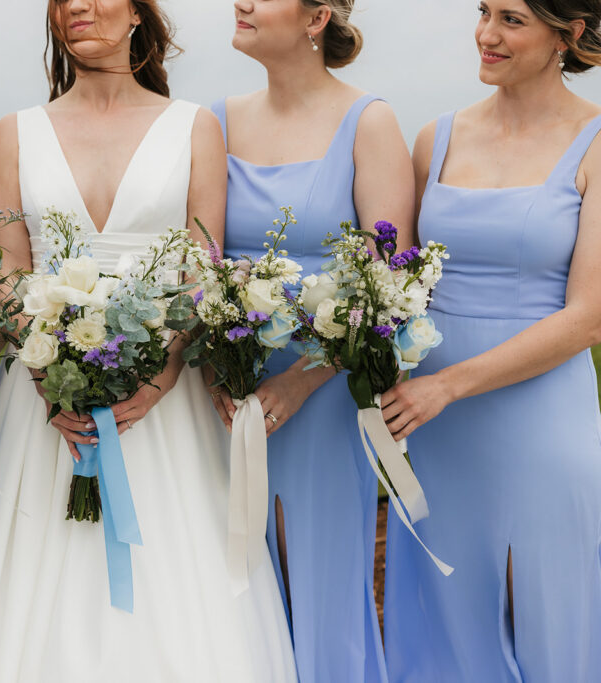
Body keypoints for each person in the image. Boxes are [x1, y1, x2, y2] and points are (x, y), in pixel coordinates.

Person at [0, 1, 297, 681]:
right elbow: (10, 270)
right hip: (47, 405)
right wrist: (52, 373)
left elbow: (202, 268)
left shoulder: (195, 127)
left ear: (139, 13)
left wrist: (159, 377)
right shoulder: (15, 132)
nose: (78, 6)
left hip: (165, 404)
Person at [382, 1, 601, 680]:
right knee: (447, 618)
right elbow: (397, 286)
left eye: (511, 19)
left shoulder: (597, 142)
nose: (485, 35)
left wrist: (447, 384)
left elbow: (589, 315)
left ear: (567, 32)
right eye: (482, 13)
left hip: (539, 421)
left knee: (547, 609)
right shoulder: (434, 138)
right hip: (437, 429)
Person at [210, 2, 414, 681]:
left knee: (321, 582)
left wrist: (299, 380)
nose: (240, 4)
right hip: (219, 397)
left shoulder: (370, 121)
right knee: (227, 590)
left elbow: (388, 283)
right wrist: (214, 368)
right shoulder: (214, 121)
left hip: (321, 396)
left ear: (315, 15)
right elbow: (193, 257)